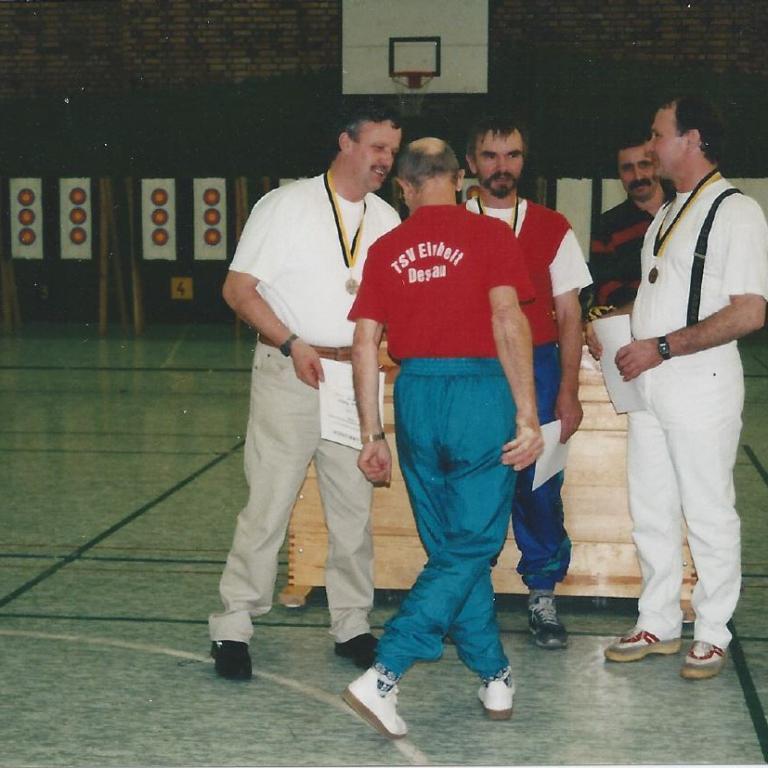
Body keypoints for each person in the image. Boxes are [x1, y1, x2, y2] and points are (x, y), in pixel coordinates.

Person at [342, 138, 543, 738]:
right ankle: (385, 672)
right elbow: (508, 318)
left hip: (417, 398)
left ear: (403, 187)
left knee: (455, 548)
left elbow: (363, 344)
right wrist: (528, 414)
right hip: (479, 394)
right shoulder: (491, 235)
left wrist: (372, 432)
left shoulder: (385, 248)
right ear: (459, 179)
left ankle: (494, 673)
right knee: (472, 545)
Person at [208, 105, 403, 679]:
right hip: (291, 370)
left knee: (353, 508)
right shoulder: (285, 205)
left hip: (354, 376)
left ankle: (352, 624)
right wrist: (291, 342)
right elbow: (238, 290)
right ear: (346, 142)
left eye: (393, 151)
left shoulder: (387, 218)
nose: (386, 160)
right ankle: (233, 626)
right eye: (377, 148)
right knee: (268, 504)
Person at [593, 95, 768, 679]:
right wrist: (612, 328)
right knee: (652, 507)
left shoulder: (737, 212)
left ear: (691, 140)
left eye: (657, 134)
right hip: (650, 383)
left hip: (700, 381)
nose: (650, 146)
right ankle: (658, 619)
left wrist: (663, 346)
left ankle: (713, 631)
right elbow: (660, 296)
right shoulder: (669, 212)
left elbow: (749, 312)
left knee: (707, 508)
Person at [464, 116, 592, 649]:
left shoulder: (552, 226)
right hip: (473, 368)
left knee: (538, 487)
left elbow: (570, 313)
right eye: (490, 156)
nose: (502, 167)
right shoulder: (452, 223)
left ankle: (542, 594)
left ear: (524, 160)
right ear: (470, 162)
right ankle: (470, 597)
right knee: (474, 487)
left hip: (539, 366)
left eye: (512, 155)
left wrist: (568, 389)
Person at [586, 132, 668, 317]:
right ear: (619, 174)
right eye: (627, 168)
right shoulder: (606, 226)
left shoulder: (684, 211)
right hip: (630, 321)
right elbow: (605, 287)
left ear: (658, 165)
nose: (637, 176)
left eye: (644, 165)